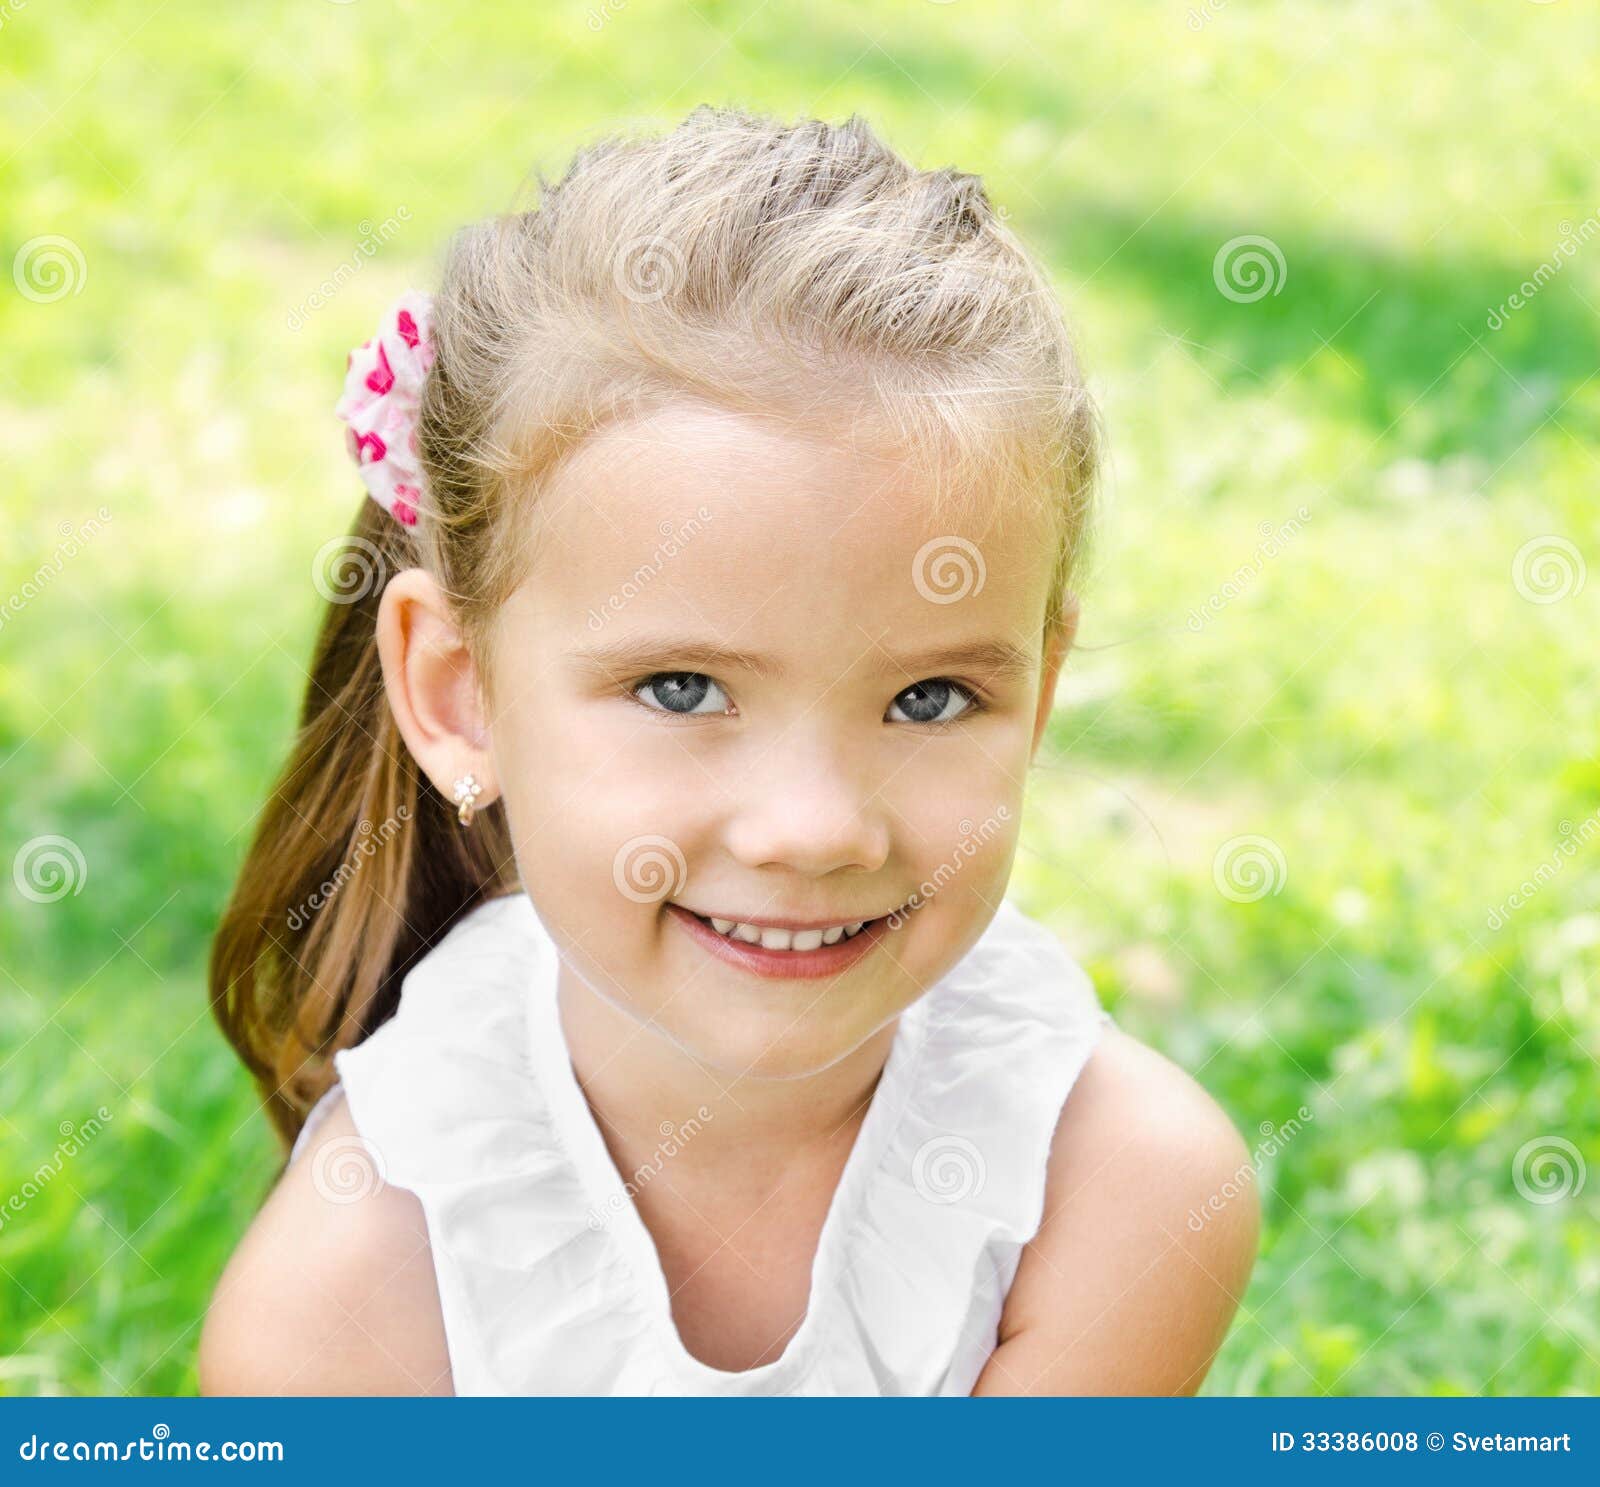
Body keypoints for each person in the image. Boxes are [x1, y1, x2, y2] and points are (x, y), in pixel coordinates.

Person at [199, 106, 1258, 1397]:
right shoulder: (351, 1294)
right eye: (682, 687)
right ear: (457, 693)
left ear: (1035, 696)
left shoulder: (1119, 1192)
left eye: (929, 698)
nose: (816, 827)